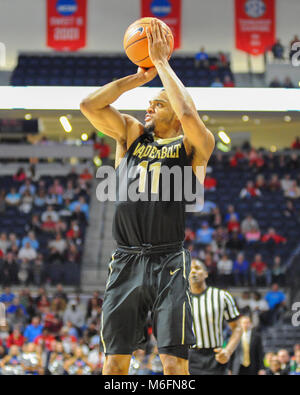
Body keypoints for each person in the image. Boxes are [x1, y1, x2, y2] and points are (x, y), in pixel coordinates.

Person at [80, 19, 215, 375]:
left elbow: (188, 113)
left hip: (168, 260)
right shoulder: (131, 135)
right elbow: (89, 105)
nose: (148, 109)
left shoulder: (192, 144)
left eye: (157, 104)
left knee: (173, 363)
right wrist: (139, 78)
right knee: (114, 364)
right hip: (125, 259)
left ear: (172, 109)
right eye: (148, 104)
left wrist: (162, 64)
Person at [188, 259, 242, 375]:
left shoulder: (222, 296)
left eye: (197, 268)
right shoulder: (179, 299)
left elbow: (237, 327)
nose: (193, 272)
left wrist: (228, 351)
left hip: (216, 356)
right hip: (189, 357)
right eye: (189, 269)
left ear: (206, 273)